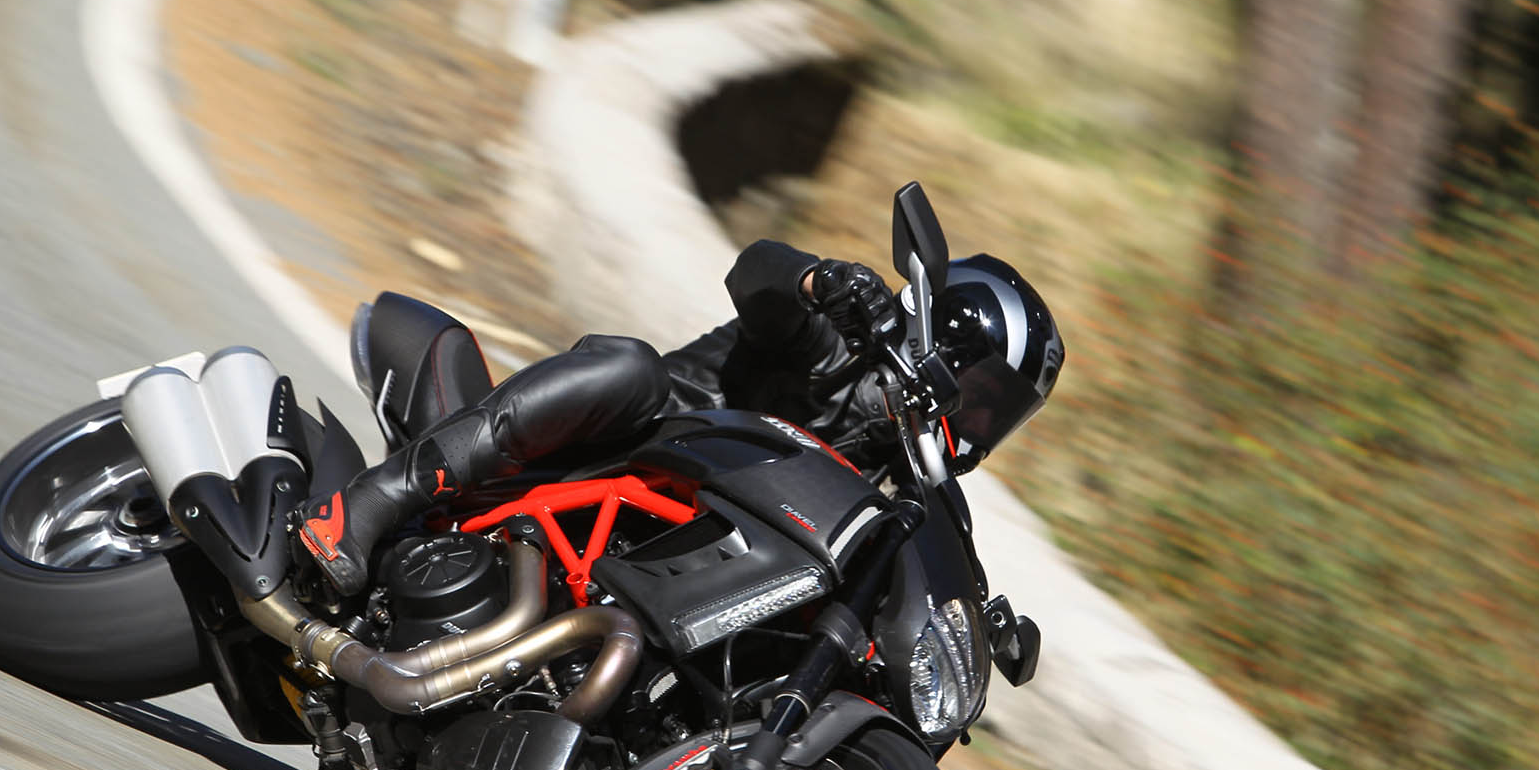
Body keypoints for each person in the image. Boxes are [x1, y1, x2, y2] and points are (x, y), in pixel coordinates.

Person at [299, 241, 1060, 595]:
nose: (979, 426)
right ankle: (371, 502)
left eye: (1000, 417)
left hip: (665, 564)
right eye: (983, 397)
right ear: (945, 347)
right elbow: (754, 272)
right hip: (629, 451)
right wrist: (817, 279)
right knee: (630, 365)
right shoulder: (835, 346)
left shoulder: (897, 485)